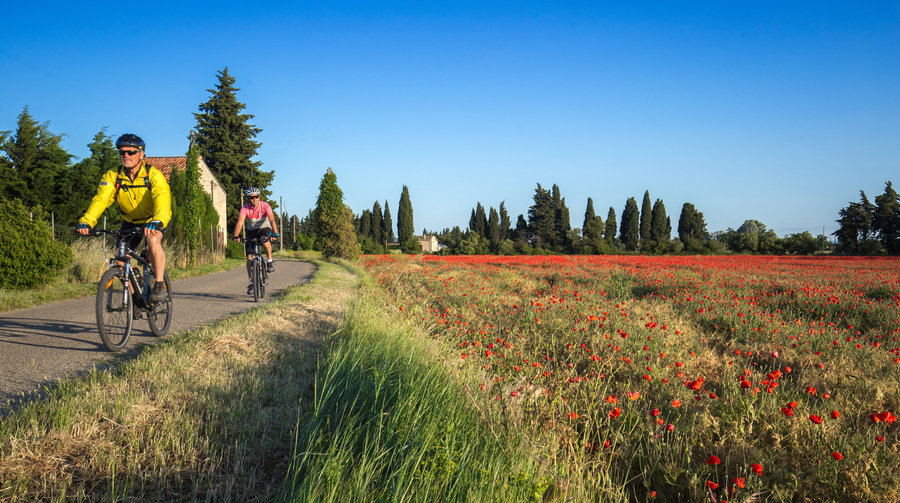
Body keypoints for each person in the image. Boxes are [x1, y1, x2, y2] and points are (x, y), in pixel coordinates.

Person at [76, 134, 172, 302]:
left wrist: (158, 220)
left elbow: (162, 199)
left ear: (142, 154)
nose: (126, 155)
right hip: (130, 221)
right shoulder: (113, 176)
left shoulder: (154, 176)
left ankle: (158, 285)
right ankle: (135, 300)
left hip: (153, 220)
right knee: (120, 259)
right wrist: (87, 221)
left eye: (131, 152)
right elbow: (101, 200)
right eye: (122, 152)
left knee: (153, 241)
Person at [232, 187, 279, 295]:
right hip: (252, 230)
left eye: (256, 197)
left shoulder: (265, 206)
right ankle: (252, 282)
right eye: (251, 197)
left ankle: (270, 262)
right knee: (249, 258)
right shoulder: (245, 208)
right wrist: (236, 235)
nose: (254, 199)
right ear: (248, 199)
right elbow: (240, 223)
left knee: (265, 241)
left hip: (264, 228)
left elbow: (272, 220)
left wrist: (275, 233)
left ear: (259, 197)